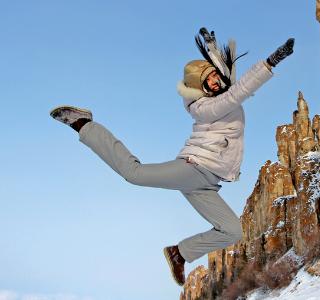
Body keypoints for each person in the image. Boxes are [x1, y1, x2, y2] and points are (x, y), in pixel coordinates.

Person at [49, 29, 294, 286]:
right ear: (199, 88)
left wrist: (211, 47)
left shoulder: (223, 92)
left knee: (232, 231)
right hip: (193, 169)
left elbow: (228, 78)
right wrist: (271, 62)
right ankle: (84, 125)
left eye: (214, 77)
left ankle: (179, 253)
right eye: (207, 81)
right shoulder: (205, 107)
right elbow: (238, 91)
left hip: (208, 183)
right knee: (134, 174)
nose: (214, 82)